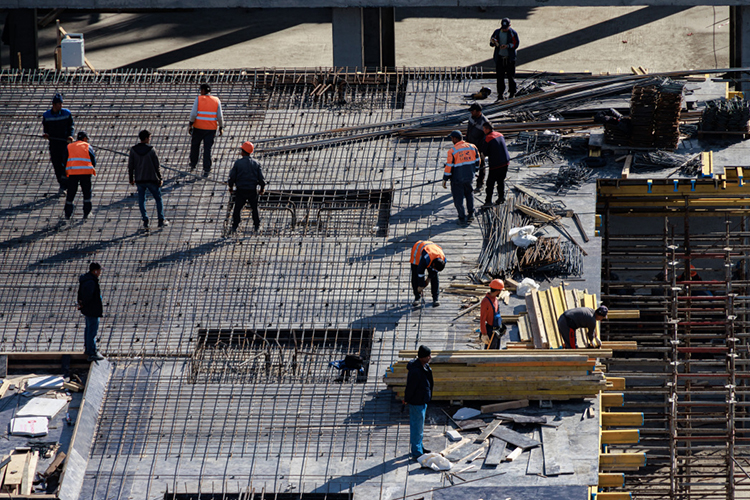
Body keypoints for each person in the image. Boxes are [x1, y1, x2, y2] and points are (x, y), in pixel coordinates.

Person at [128, 130, 168, 230]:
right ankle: (161, 220)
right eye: (149, 137)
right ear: (146, 138)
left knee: (142, 200)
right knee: (158, 198)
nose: (150, 139)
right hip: (151, 179)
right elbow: (157, 166)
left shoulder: (133, 150)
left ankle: (145, 221)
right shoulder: (151, 150)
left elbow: (130, 166)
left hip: (140, 179)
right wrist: (160, 178)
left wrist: (131, 179)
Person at [227, 141, 266, 234]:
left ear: (243, 152)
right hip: (252, 190)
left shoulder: (238, 163)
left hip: (241, 191)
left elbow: (232, 177)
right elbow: (261, 178)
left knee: (237, 209)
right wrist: (262, 188)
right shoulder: (256, 163)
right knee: (255, 208)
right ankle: (257, 226)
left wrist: (231, 186)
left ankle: (235, 226)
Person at [442, 130, 479, 226]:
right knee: (469, 195)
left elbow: (449, 166)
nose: (451, 140)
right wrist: (474, 171)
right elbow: (477, 161)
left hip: (457, 179)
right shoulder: (472, 147)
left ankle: (462, 218)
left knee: (458, 198)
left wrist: (445, 178)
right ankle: (471, 214)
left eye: (451, 138)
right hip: (469, 177)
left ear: (455, 139)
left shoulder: (452, 151)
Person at [404, 345, 433, 459]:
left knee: (420, 427)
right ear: (422, 357)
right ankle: (416, 452)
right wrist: (407, 399)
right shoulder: (415, 371)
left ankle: (420, 447)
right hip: (416, 402)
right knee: (416, 427)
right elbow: (410, 387)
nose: (430, 357)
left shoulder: (424, 366)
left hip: (422, 400)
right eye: (428, 356)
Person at [189, 83, 224, 176]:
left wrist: (190, 124)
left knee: (195, 146)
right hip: (211, 129)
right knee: (207, 149)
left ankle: (193, 164)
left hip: (198, 128)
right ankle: (207, 168)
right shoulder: (216, 100)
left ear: (203, 90)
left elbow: (193, 114)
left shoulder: (199, 99)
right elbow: (220, 116)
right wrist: (221, 127)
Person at [42, 93, 75, 193]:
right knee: (56, 164)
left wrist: (70, 135)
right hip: (54, 143)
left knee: (66, 163)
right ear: (53, 104)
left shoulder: (67, 113)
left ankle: (65, 184)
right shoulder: (46, 115)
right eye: (58, 104)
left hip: (65, 143)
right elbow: (46, 128)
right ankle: (62, 183)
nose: (60, 106)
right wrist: (46, 134)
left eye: (61, 104)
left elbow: (71, 126)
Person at [64, 131, 96, 220]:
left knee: (71, 193)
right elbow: (93, 160)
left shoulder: (69, 146)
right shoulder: (88, 146)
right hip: (85, 173)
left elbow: (64, 159)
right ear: (85, 138)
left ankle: (68, 213)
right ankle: (87, 212)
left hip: (72, 173)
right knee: (86, 193)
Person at [77, 262, 105, 361]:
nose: (100, 273)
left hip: (88, 310)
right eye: (100, 271)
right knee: (92, 331)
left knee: (89, 329)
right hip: (92, 310)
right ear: (95, 271)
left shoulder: (87, 280)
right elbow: (88, 296)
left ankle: (89, 349)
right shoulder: (91, 282)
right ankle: (91, 352)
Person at [489, 18, 520, 100]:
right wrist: (494, 43)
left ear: (509, 26)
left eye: (506, 27)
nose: (504, 29)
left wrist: (507, 46)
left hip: (510, 59)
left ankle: (512, 93)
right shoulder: (497, 32)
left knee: (511, 77)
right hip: (500, 58)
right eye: (503, 27)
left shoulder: (513, 33)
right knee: (500, 77)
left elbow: (516, 44)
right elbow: (491, 42)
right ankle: (500, 94)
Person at [481, 122, 511, 206]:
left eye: (484, 129)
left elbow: (485, 152)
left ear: (487, 129)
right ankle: (501, 197)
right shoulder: (500, 134)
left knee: (490, 183)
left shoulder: (488, 138)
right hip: (505, 162)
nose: (483, 131)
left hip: (495, 164)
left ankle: (488, 201)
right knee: (500, 181)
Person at [410, 240, 446, 307]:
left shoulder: (443, 259)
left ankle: (435, 298)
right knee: (415, 275)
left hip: (430, 251)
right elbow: (420, 272)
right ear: (434, 264)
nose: (434, 269)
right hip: (417, 251)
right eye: (434, 268)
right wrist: (421, 285)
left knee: (435, 277)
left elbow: (434, 271)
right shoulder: (426, 258)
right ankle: (417, 296)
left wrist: (429, 278)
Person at [467, 103, 490, 193]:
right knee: (468, 165)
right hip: (469, 145)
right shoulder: (471, 117)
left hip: (479, 148)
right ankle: (467, 183)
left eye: (473, 111)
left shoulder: (484, 122)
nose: (471, 112)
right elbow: (469, 130)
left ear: (478, 111)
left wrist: (481, 149)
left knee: (481, 165)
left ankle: (480, 184)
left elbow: (486, 137)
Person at [480, 279, 505, 349]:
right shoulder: (485, 302)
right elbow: (482, 319)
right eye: (500, 290)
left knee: (497, 349)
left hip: (497, 330)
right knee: (490, 351)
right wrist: (484, 334)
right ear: (497, 291)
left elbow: (498, 314)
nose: (501, 292)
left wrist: (501, 326)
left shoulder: (495, 299)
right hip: (491, 331)